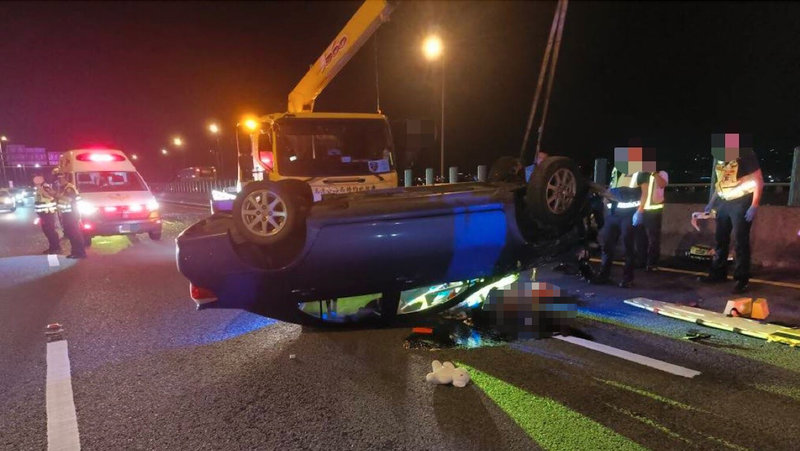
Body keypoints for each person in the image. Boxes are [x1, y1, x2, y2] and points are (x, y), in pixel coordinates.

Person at [699, 134, 762, 293]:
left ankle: (742, 279)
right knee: (720, 239)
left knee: (741, 241)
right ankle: (718, 273)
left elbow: (759, 181)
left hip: (741, 202)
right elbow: (719, 184)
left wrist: (754, 205)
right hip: (723, 203)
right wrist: (711, 203)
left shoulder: (745, 154)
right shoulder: (720, 161)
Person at [593, 150, 651, 288]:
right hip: (614, 213)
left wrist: (640, 211)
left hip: (630, 213)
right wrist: (606, 198)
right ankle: (604, 275)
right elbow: (612, 187)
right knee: (607, 245)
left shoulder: (641, 172)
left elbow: (645, 193)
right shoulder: (617, 170)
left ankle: (627, 279)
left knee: (628, 247)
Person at [635, 169, 669, 271]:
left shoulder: (662, 173)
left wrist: (654, 173)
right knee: (640, 237)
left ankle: (652, 263)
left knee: (653, 238)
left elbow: (662, 184)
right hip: (641, 209)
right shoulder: (640, 173)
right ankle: (641, 260)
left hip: (654, 211)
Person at [53, 168, 87, 259]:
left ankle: (80, 253)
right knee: (71, 234)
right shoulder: (63, 188)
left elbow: (69, 200)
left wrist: (56, 195)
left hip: (72, 214)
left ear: (65, 178)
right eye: (57, 178)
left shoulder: (69, 188)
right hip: (67, 214)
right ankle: (75, 252)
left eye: (60, 178)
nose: (58, 180)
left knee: (75, 234)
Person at [33, 174, 61, 254]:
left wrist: (41, 189)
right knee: (47, 231)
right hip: (43, 214)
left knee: (50, 231)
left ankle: (56, 247)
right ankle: (52, 247)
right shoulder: (39, 188)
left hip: (48, 213)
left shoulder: (45, 187)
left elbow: (51, 196)